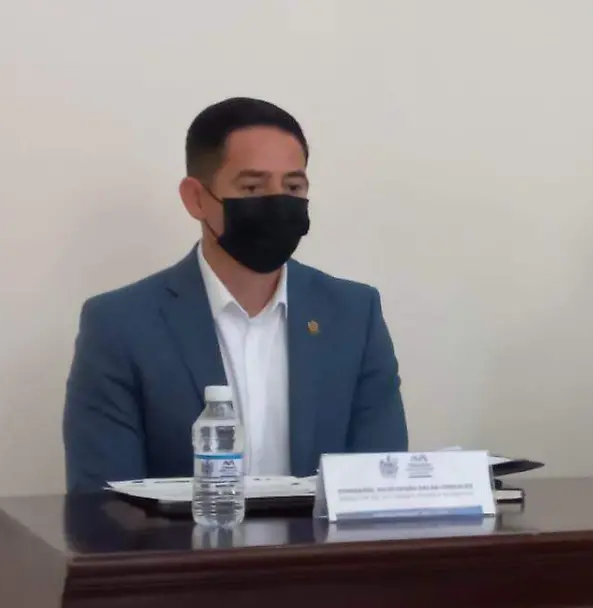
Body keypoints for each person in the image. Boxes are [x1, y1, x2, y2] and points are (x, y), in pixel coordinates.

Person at [63, 97, 407, 492]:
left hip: (321, 536)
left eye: (293, 186)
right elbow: (103, 503)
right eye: (252, 187)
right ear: (196, 198)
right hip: (187, 535)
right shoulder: (120, 325)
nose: (277, 202)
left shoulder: (354, 315)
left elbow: (381, 486)